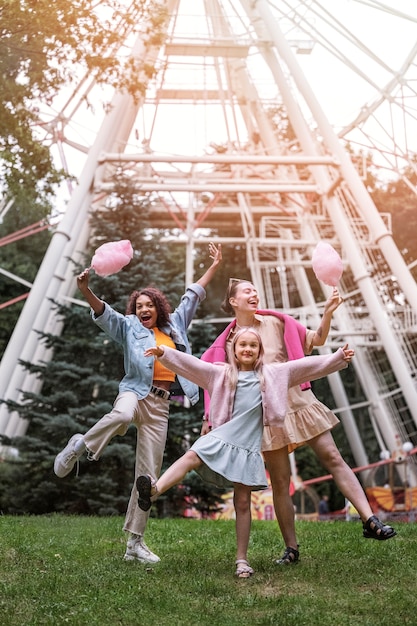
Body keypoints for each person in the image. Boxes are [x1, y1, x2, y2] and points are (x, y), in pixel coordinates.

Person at [201, 279, 396, 565]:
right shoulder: (228, 342)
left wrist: (327, 313)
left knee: (333, 456)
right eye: (247, 291)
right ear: (233, 301)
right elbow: (218, 381)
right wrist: (209, 417)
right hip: (266, 410)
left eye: (256, 289)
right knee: (280, 481)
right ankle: (291, 549)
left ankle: (370, 520)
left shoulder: (276, 323)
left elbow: (316, 340)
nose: (254, 293)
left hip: (299, 400)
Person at [137, 327, 355, 578]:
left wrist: (337, 358)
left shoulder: (273, 374)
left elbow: (305, 367)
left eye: (253, 345)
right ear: (234, 350)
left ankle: (242, 561)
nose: (248, 349)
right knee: (191, 456)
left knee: (242, 503)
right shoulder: (220, 374)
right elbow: (191, 365)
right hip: (222, 435)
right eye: (243, 345)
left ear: (260, 351)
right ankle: (154, 490)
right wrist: (164, 353)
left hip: (248, 447)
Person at [53, 242, 222, 564]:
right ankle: (80, 446)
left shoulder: (175, 327)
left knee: (148, 478)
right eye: (139, 305)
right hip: (135, 391)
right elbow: (104, 314)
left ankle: (134, 543)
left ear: (158, 307)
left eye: (149, 305)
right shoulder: (129, 327)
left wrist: (214, 266)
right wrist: (85, 289)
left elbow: (193, 295)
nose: (144, 309)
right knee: (122, 413)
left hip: (161, 406)